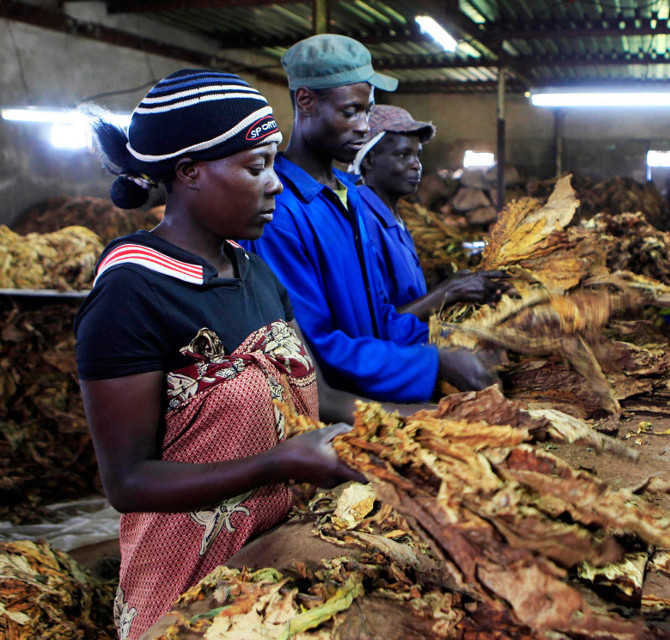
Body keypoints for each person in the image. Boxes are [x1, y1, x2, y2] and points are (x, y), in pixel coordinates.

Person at [75, 69, 367, 639]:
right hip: (188, 594)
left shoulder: (256, 273)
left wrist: (415, 427)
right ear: (189, 173)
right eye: (256, 167)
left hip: (275, 569)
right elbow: (128, 482)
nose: (276, 184)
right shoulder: (132, 292)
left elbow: (316, 394)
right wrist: (279, 462)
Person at [241, 34, 496, 402]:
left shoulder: (350, 197)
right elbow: (313, 350)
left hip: (379, 392)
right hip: (340, 414)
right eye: (350, 112)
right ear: (306, 101)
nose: (363, 125)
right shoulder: (280, 212)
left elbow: (381, 320)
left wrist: (451, 342)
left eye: (367, 110)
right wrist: (432, 363)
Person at [348, 104, 506, 321]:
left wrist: (456, 284)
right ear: (368, 160)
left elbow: (405, 298)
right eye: (403, 155)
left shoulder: (392, 219)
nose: (416, 165)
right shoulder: (362, 222)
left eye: (417, 155)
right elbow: (374, 326)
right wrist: (448, 291)